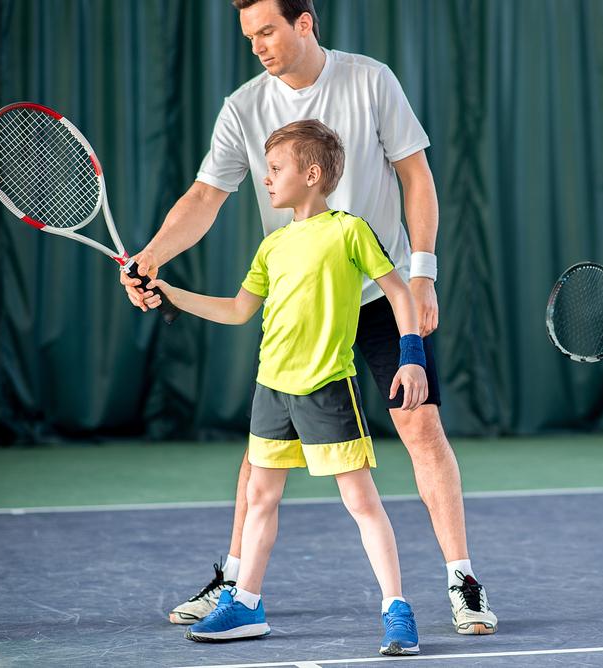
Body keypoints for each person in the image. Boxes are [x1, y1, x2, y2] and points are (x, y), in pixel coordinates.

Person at [121, 0, 496, 635]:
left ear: (305, 22)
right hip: (301, 307)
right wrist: (152, 258)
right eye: (248, 36)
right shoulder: (244, 105)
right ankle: (237, 582)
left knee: (421, 428)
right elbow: (206, 196)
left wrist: (423, 275)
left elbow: (417, 177)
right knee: (258, 455)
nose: (258, 45)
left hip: (379, 295)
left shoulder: (370, 79)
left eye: (267, 29)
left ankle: (463, 581)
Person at [146, 119, 425, 655]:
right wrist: (169, 291)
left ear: (312, 174)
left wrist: (410, 359)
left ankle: (396, 610)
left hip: (327, 387)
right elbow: (236, 310)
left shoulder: (350, 231)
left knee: (361, 501)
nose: (267, 179)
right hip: (271, 390)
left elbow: (398, 292)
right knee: (259, 496)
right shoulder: (271, 245)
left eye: (276, 169)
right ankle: (247, 604)